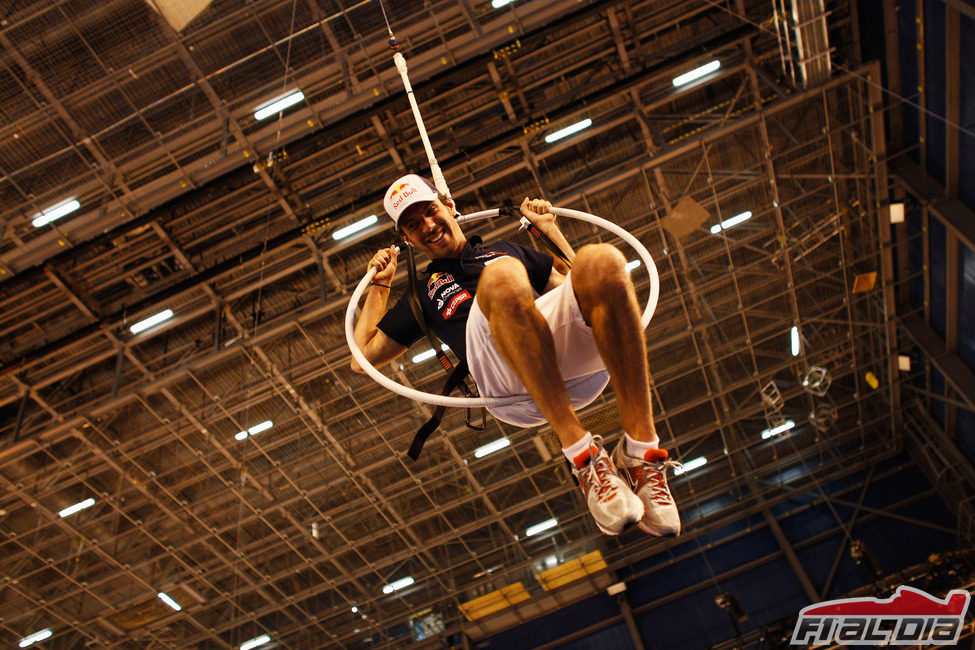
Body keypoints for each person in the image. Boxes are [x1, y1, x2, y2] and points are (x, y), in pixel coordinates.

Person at [351, 174, 681, 537]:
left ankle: (642, 453)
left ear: (449, 205)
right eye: (413, 225)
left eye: (430, 211)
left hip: (569, 362)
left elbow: (581, 291)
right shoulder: (422, 293)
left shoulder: (507, 249)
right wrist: (380, 285)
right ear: (407, 239)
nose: (427, 226)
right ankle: (582, 456)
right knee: (503, 276)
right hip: (509, 384)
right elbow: (361, 357)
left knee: (602, 260)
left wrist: (548, 229)